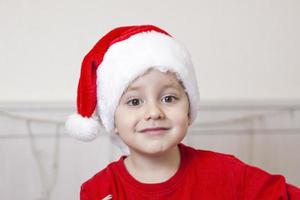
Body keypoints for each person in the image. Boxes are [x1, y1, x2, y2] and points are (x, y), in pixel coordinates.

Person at [66, 25, 300, 200]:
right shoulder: (98, 190)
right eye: (135, 101)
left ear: (189, 109)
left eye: (168, 98)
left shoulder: (227, 173)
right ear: (112, 120)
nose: (154, 112)